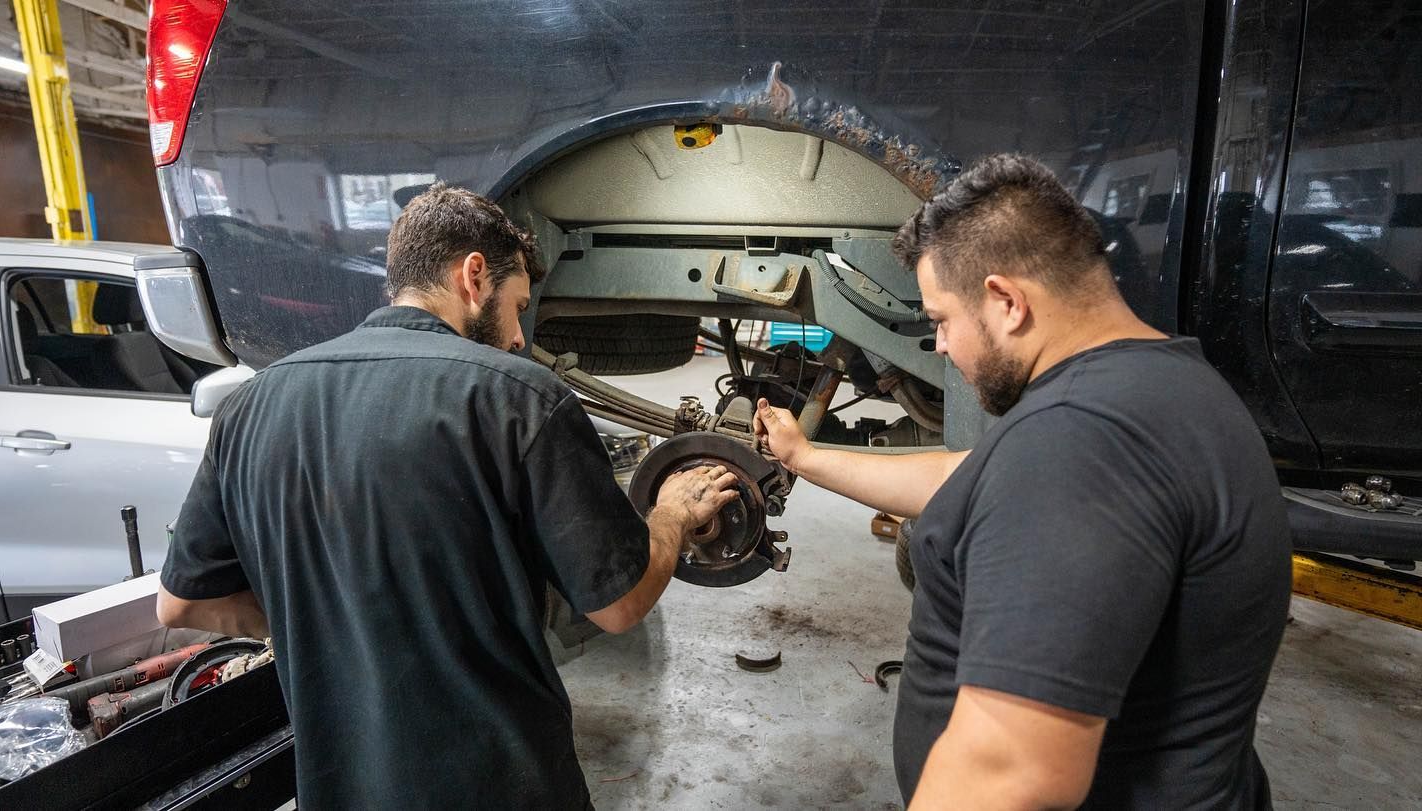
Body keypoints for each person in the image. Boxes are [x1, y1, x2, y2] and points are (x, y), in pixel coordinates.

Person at [156, 183, 738, 808]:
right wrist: (672, 517)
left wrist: (332, 620)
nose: (519, 337)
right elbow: (619, 606)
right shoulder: (520, 397)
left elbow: (181, 603)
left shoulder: (249, 406)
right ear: (474, 276)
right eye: (518, 306)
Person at [753, 154, 1293, 809]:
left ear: (1006, 301)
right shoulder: (1161, 384)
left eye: (941, 320)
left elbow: (1010, 769)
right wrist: (805, 456)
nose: (942, 347)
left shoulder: (1077, 440)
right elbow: (971, 479)